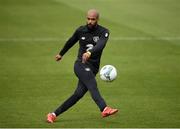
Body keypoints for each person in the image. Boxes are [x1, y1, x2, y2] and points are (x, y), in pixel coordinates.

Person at [47, 9, 118, 123]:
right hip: (81, 64)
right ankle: (104, 108)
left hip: (93, 68)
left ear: (97, 20)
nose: (90, 21)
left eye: (93, 19)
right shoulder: (81, 30)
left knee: (78, 94)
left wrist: (90, 52)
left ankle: (53, 114)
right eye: (88, 19)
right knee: (92, 83)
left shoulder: (104, 31)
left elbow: (101, 44)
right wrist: (61, 53)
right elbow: (71, 41)